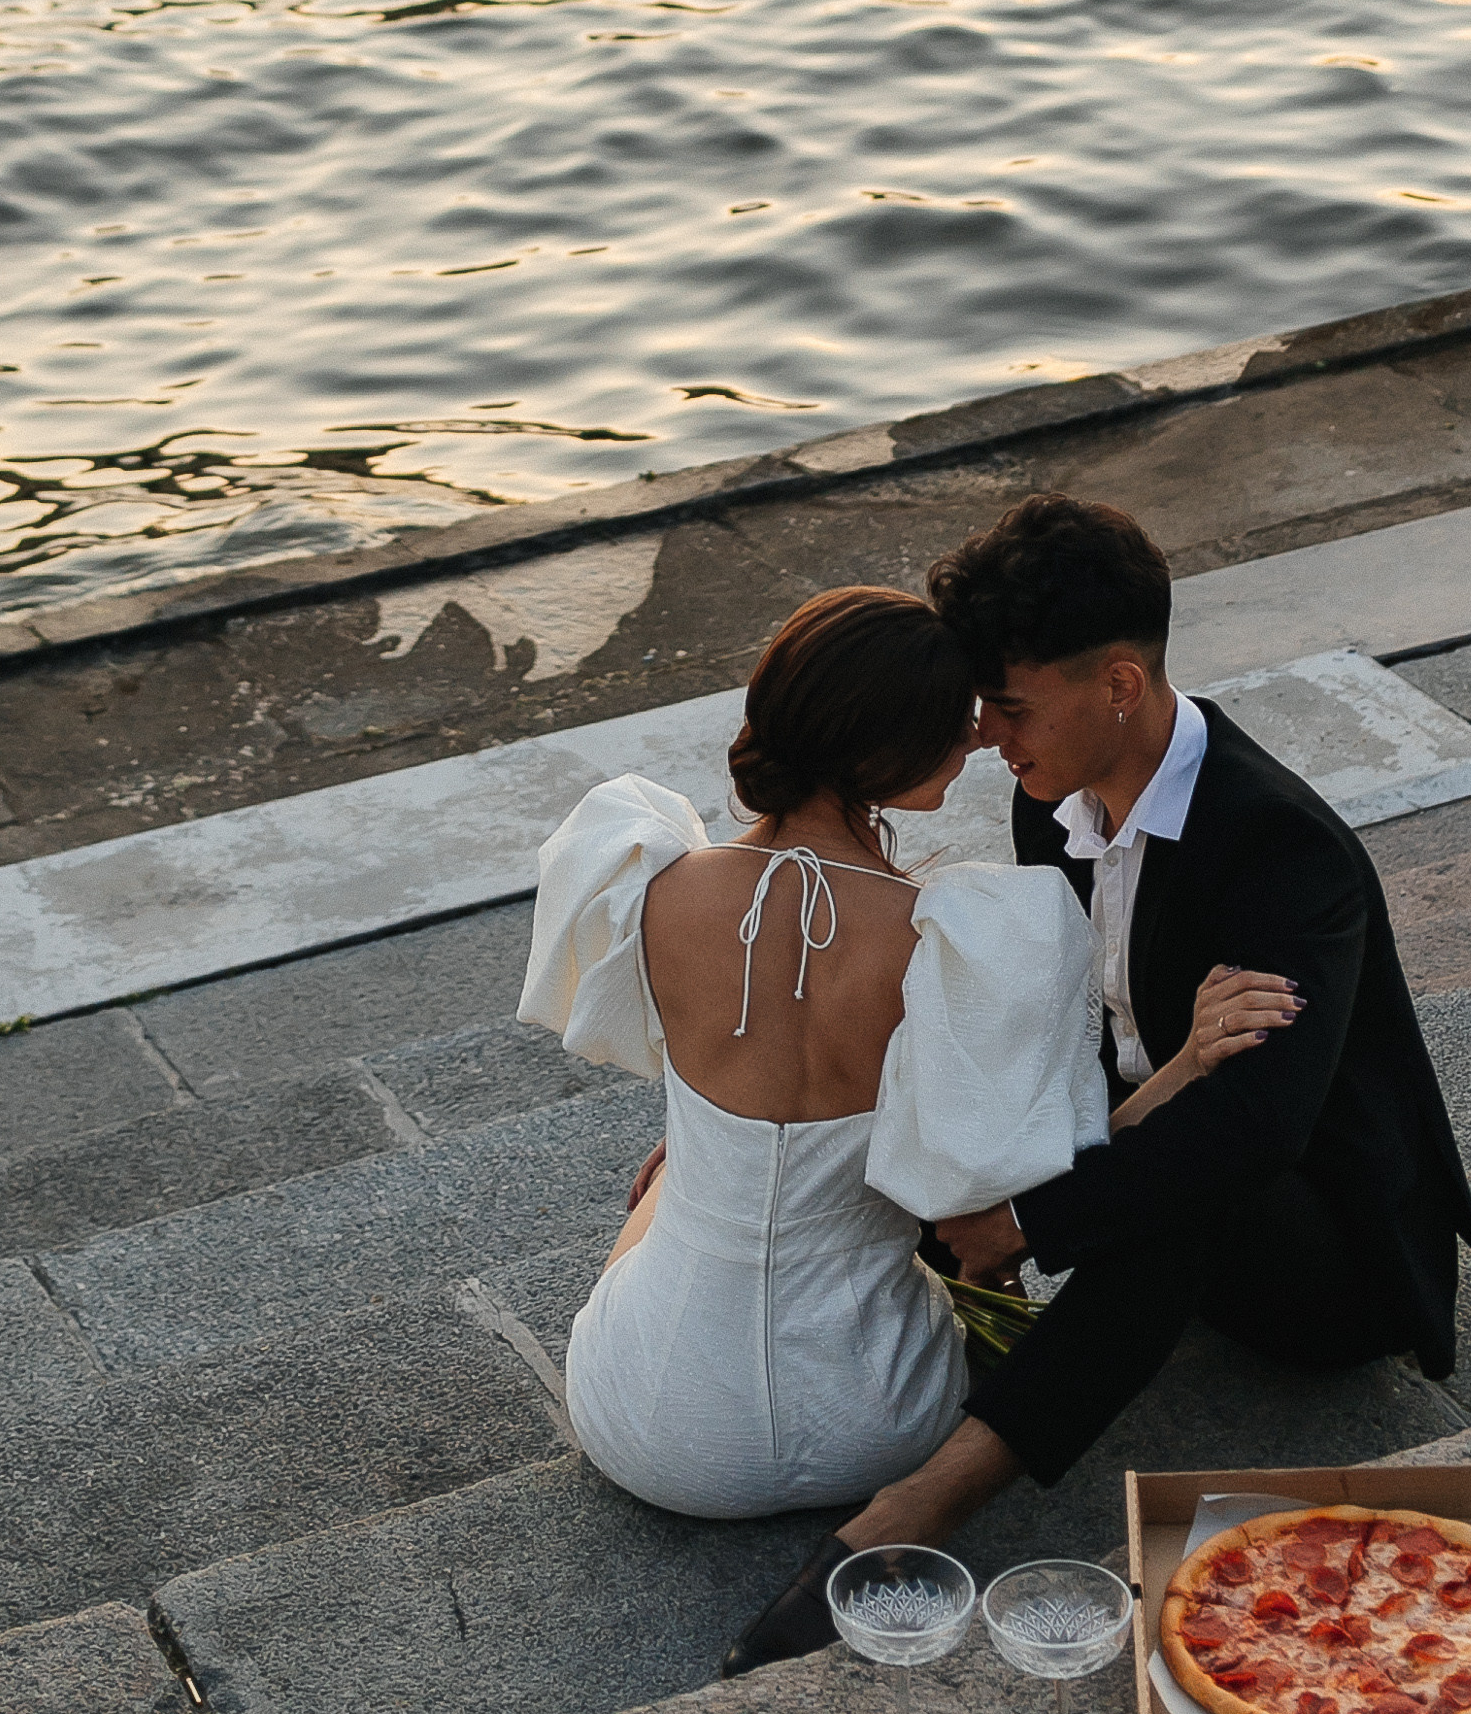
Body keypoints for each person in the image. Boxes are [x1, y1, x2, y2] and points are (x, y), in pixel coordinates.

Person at [721, 492, 1471, 1670]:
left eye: (1009, 708)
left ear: (1118, 685)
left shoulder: (1277, 846)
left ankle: (920, 1508)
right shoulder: (1057, 809)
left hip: (1328, 1263)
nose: (982, 737)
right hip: (1127, 1152)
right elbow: (1062, 1042)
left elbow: (1255, 1130)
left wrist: (1025, 1219)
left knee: (1193, 1190)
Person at [520, 584, 1249, 1522]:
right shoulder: (953, 940)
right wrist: (1185, 1062)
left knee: (674, 1184)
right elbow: (1016, 1188)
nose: (980, 738)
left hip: (652, 1431)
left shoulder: (644, 881)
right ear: (879, 748)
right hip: (875, 1419)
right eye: (955, 723)